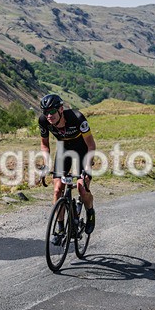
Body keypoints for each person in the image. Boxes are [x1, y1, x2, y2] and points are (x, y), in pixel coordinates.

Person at [38, 94, 96, 240]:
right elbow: (44, 144)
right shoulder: (43, 121)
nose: (49, 115)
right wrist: (46, 165)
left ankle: (90, 212)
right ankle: (60, 229)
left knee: (82, 188)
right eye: (46, 112)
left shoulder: (77, 118)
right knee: (57, 190)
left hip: (82, 148)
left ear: (61, 109)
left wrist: (87, 167)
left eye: (52, 111)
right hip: (64, 148)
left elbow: (91, 145)